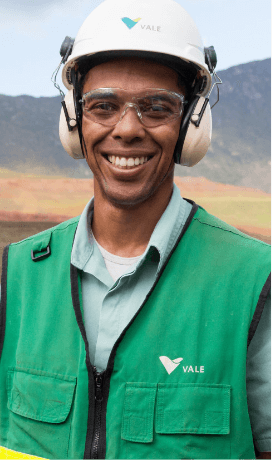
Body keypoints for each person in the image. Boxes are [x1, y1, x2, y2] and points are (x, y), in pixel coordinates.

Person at [0, 0, 270, 459]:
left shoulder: (255, 281)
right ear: (74, 119)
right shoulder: (15, 276)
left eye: (157, 107)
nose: (127, 129)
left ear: (192, 124)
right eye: (102, 105)